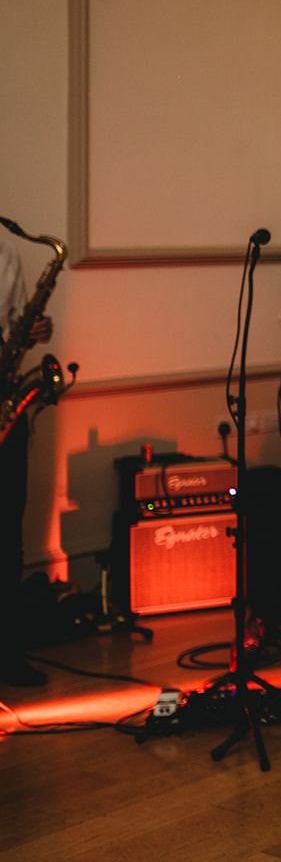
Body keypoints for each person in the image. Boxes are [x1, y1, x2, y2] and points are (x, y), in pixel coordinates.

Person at [0, 235, 52, 687]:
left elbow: (15, 324)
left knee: (8, 535)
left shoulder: (4, 248)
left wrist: (34, 330)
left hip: (5, 402)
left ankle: (7, 654)